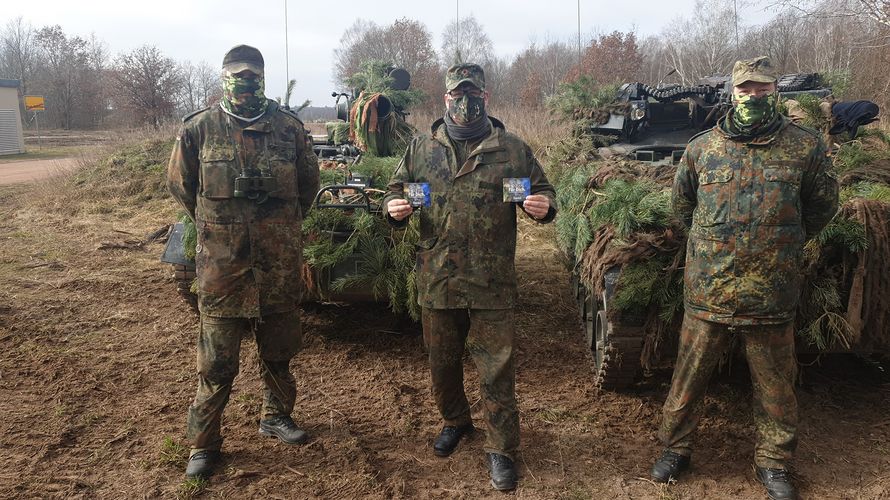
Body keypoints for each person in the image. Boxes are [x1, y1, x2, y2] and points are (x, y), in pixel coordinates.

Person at [650, 56, 838, 500]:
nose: (754, 96)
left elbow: (822, 206)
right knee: (688, 376)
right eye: (746, 88)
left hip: (771, 289)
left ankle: (774, 462)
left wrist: (780, 242)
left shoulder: (804, 147)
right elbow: (681, 209)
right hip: (709, 288)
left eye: (763, 89)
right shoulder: (703, 149)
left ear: (775, 91)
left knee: (775, 383)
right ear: (732, 93)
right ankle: (676, 448)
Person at [383, 62, 557, 491]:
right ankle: (456, 420)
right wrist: (394, 209)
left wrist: (543, 206)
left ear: (484, 97)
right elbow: (397, 190)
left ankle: (501, 449)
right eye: (456, 95)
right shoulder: (423, 149)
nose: (464, 102)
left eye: (472, 95)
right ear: (444, 100)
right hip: (438, 278)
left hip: (490, 282)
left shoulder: (510, 150)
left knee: (496, 370)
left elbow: (542, 192)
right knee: (441, 363)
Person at [167, 44, 320, 479]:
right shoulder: (199, 129)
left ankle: (276, 416)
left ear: (262, 77)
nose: (244, 82)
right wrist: (221, 226)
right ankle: (204, 443)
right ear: (223, 77)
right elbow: (182, 186)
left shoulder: (289, 130)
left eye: (251, 74)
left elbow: (308, 186)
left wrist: (278, 228)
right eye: (236, 74)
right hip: (223, 267)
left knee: (279, 351)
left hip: (278, 264)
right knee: (216, 363)